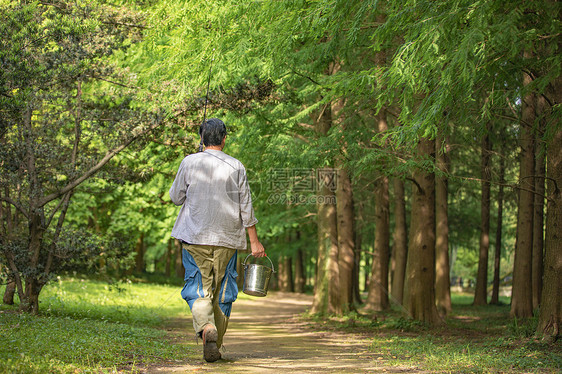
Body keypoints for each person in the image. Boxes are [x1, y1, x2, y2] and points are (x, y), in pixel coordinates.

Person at [169, 118, 266, 363]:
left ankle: (205, 329)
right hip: (228, 240)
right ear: (224, 139)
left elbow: (175, 197)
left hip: (194, 238)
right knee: (223, 293)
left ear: (202, 139)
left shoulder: (189, 162)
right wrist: (254, 242)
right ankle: (216, 344)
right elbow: (246, 207)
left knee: (198, 289)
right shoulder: (237, 166)